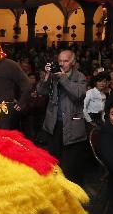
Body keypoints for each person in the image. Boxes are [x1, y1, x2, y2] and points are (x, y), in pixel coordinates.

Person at [37, 50, 88, 185]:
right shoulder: (53, 76)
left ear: (72, 62)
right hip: (54, 125)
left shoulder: (79, 77)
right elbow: (41, 91)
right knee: (54, 163)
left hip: (72, 126)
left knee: (71, 166)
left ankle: (73, 194)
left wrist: (63, 78)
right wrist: (47, 75)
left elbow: (78, 94)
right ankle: (56, 191)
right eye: (60, 61)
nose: (62, 64)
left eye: (65, 61)